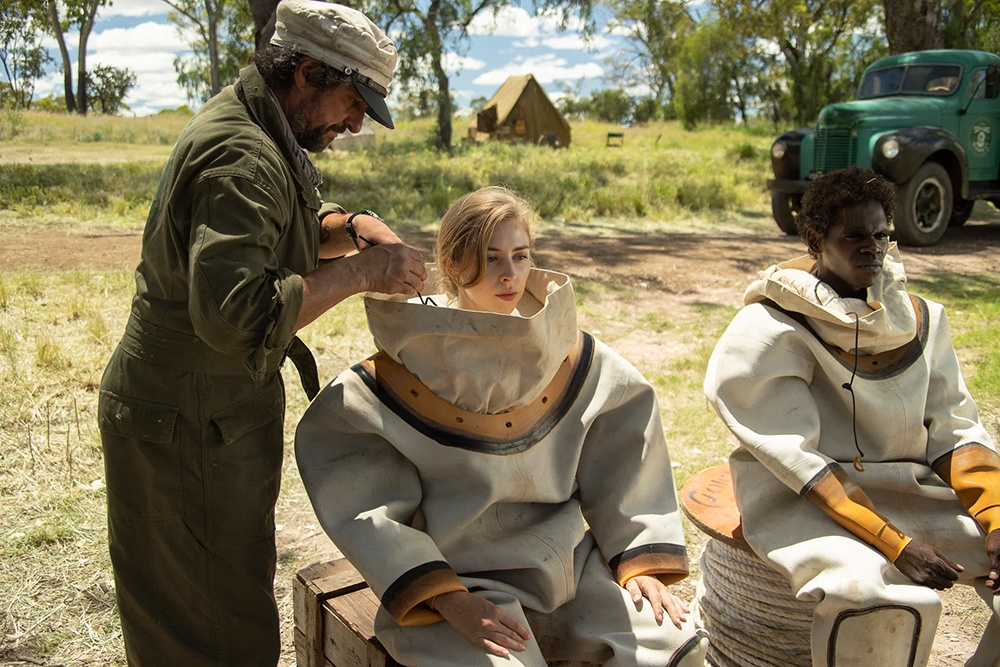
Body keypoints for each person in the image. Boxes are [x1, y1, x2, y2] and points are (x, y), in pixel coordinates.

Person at [96, 2, 427, 665]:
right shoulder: (241, 152)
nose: (357, 122)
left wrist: (354, 225)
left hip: (200, 411)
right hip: (185, 419)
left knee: (215, 609)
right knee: (212, 636)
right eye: (353, 101)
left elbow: (286, 224)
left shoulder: (262, 125)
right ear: (305, 72)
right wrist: (363, 270)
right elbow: (237, 312)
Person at [295, 185, 709, 666]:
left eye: (520, 255)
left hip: (568, 569)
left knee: (674, 652)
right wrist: (449, 599)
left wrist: (639, 561)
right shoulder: (399, 372)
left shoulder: (567, 353)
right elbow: (364, 502)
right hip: (459, 581)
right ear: (451, 266)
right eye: (490, 258)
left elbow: (624, 448)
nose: (510, 274)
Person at [703, 166, 1000, 667]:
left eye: (882, 233)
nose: (874, 247)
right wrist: (895, 545)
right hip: (801, 500)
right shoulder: (768, 330)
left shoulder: (923, 319)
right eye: (855, 236)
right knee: (873, 600)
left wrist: (994, 517)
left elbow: (952, 425)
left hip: (910, 486)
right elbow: (795, 459)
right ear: (817, 240)